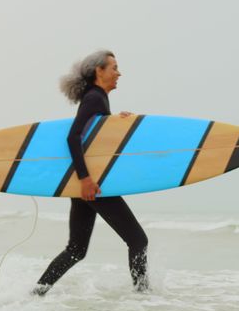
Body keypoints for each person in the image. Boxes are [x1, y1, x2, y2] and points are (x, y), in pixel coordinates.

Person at [32, 50, 150, 295]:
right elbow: (74, 137)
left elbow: (96, 141)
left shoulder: (96, 99)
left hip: (86, 183)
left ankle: (36, 293)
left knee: (76, 249)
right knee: (138, 240)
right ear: (99, 71)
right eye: (114, 67)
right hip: (93, 184)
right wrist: (85, 179)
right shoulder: (95, 98)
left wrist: (115, 122)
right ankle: (144, 297)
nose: (119, 73)